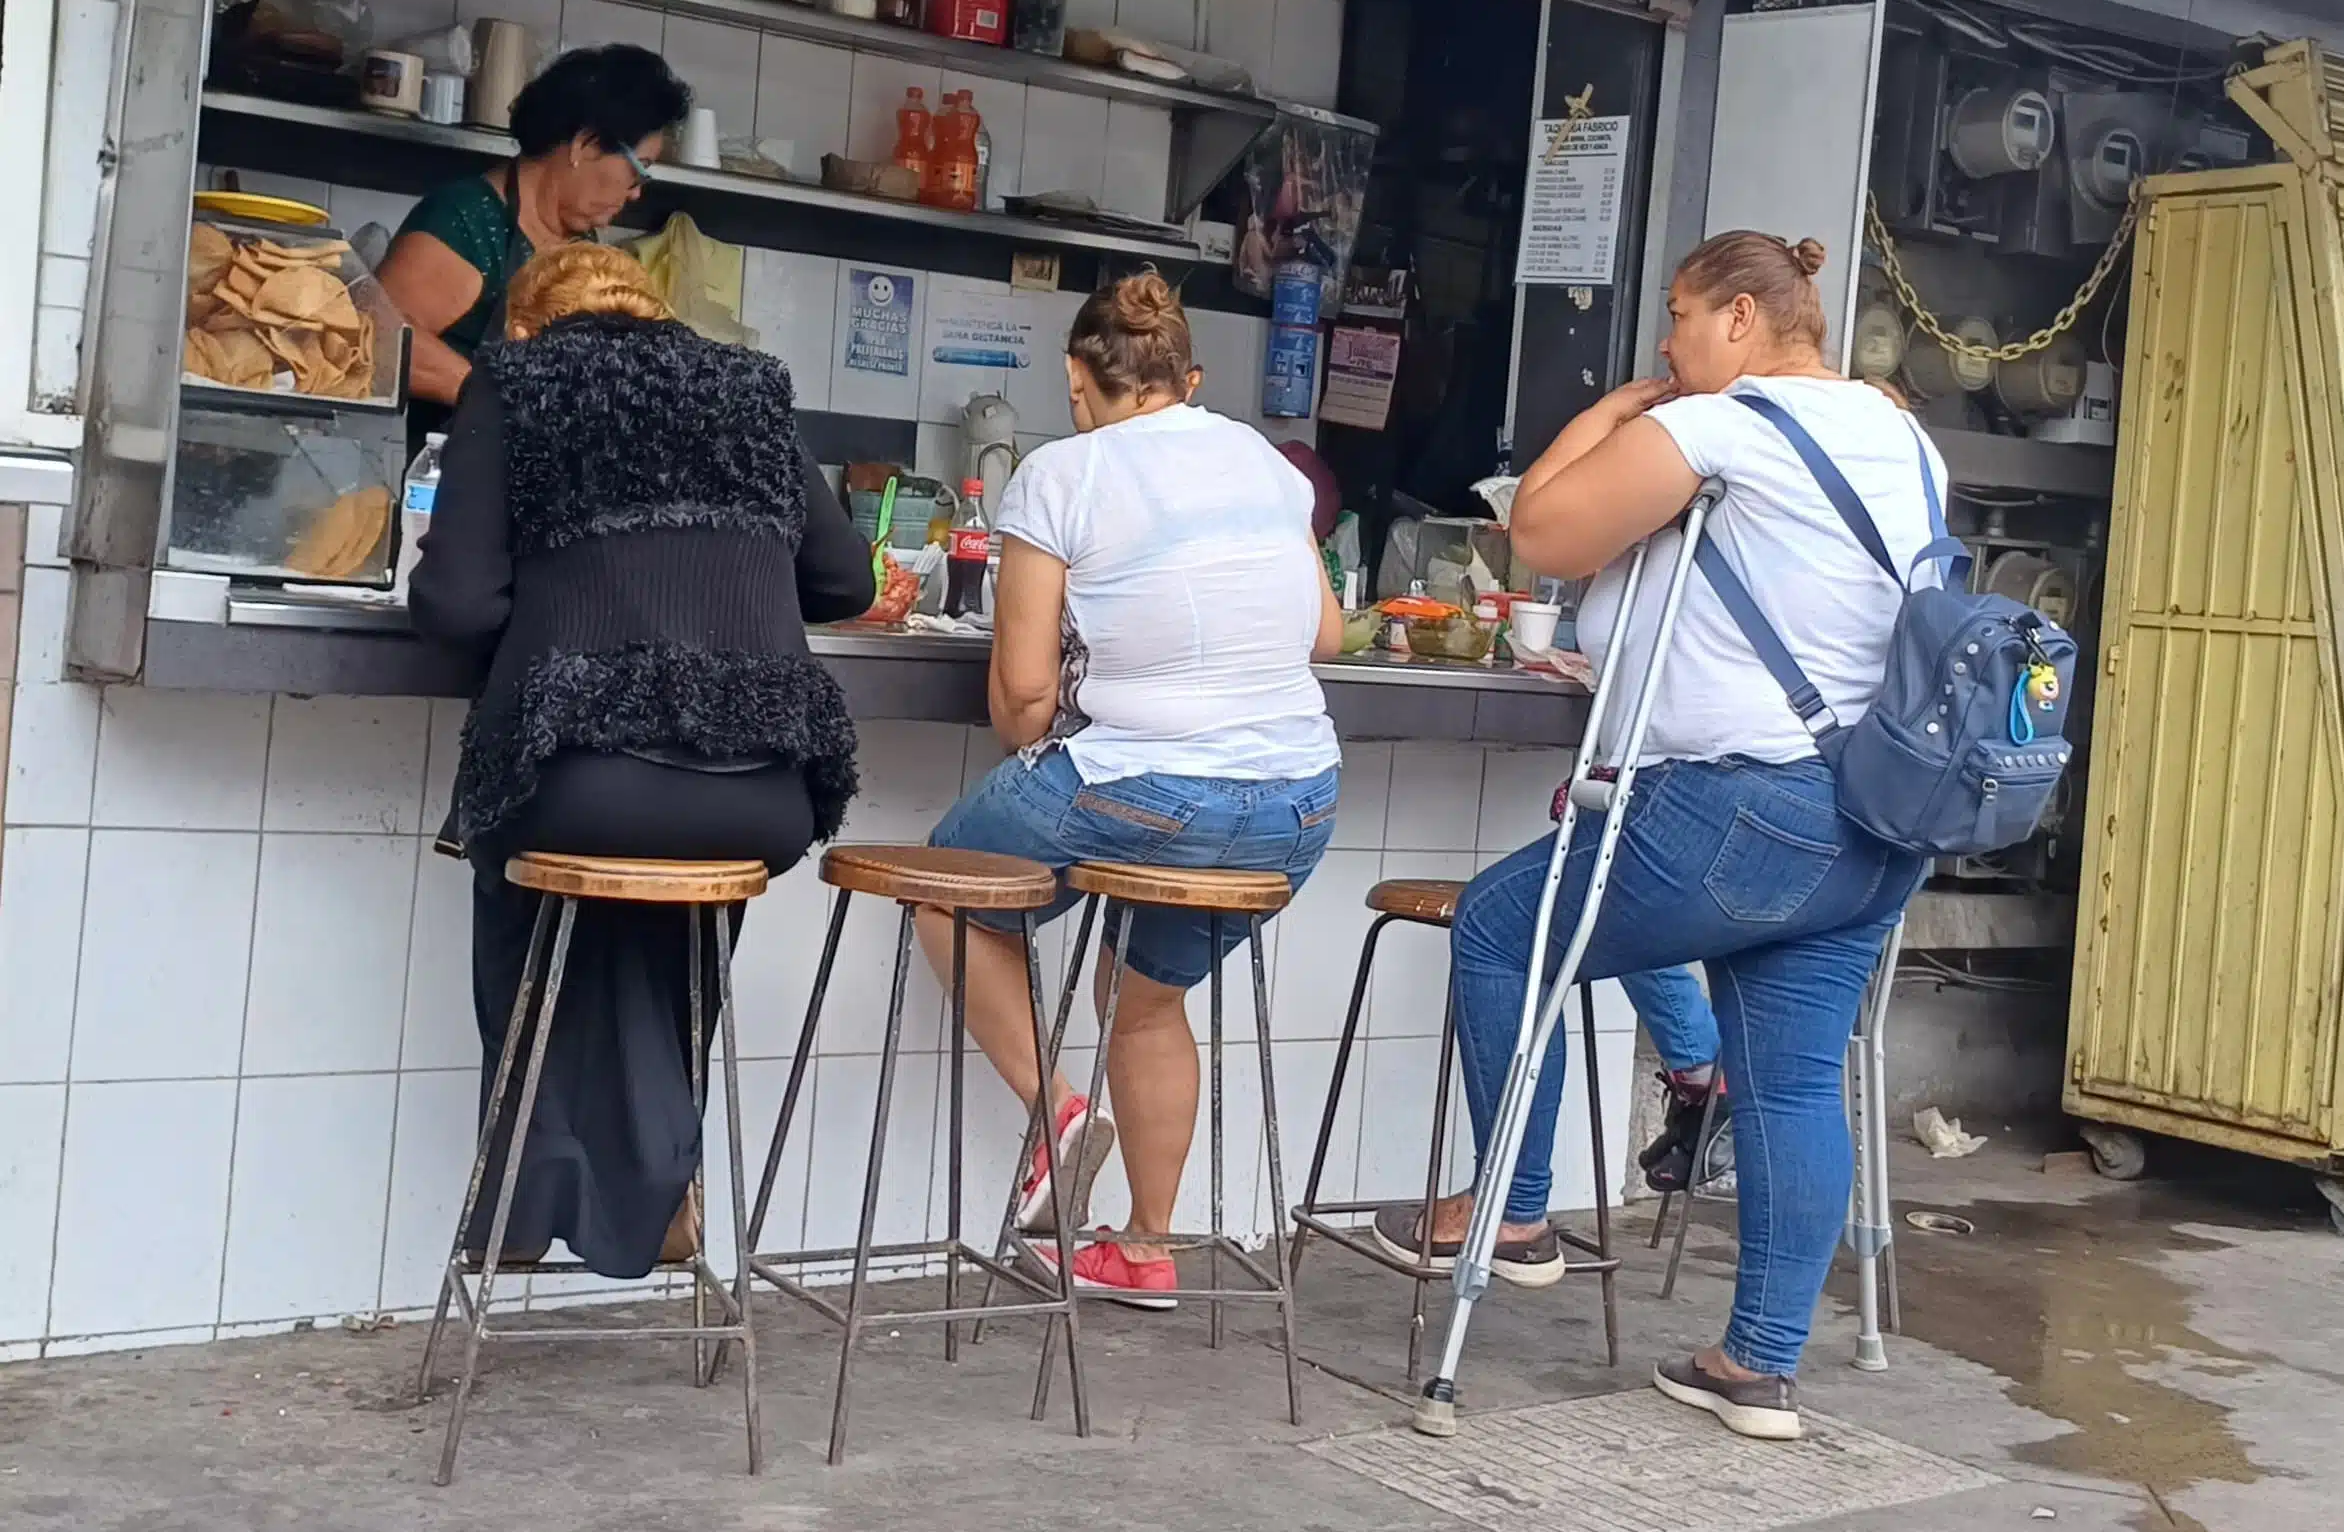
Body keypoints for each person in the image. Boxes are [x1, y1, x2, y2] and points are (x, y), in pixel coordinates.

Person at [1368, 231, 1939, 1441]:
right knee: (1791, 1082)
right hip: (1870, 819)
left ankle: (1515, 1211)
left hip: (1735, 805)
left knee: (1500, 925)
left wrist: (1630, 404)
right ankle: (1757, 1366)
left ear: (1740, 318)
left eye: (1679, 318)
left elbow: (1542, 528)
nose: (1667, 343)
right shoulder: (1900, 433)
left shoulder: (1729, 428)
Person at [410, 242, 875, 1277]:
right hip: (766, 797)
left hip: (583, 779)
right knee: (659, 895)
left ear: (526, 326)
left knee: (538, 841)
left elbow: (454, 607)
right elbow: (845, 581)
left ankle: (536, 1193)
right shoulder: (749, 389)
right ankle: (659, 1165)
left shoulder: (518, 380)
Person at [918, 270, 1345, 1307]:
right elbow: (1326, 635)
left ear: (1077, 377)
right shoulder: (1262, 460)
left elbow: (1019, 694)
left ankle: (1057, 1114)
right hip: (1299, 799)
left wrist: (1057, 710)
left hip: (1149, 780)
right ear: (1185, 378)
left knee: (943, 889)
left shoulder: (1062, 472)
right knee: (1141, 1003)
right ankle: (1145, 1247)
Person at [379, 44, 688, 443]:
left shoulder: (583, 248)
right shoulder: (467, 221)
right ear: (585, 146)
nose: (635, 194)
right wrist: (508, 403)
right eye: (639, 170)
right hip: (444, 482)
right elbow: (381, 338)